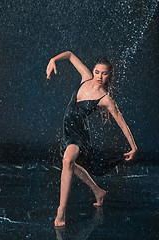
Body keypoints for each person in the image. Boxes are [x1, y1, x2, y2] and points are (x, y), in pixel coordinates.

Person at [46, 51, 138, 227]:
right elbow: (70, 55)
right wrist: (53, 60)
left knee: (67, 160)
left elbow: (122, 124)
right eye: (97, 71)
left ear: (109, 76)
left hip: (79, 134)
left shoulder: (106, 99)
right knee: (71, 164)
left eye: (104, 73)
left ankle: (61, 211)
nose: (99, 76)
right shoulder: (86, 77)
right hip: (67, 130)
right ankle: (98, 191)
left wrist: (133, 147)